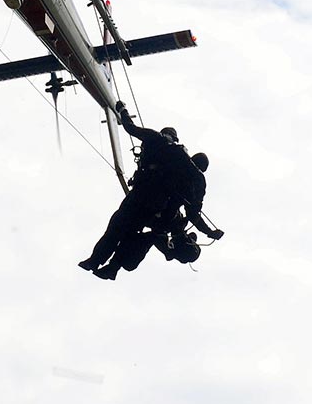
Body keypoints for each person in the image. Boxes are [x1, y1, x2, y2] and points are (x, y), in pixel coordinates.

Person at [79, 104, 222, 275]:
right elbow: (193, 213)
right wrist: (208, 232)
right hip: (156, 208)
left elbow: (129, 128)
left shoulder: (156, 140)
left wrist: (122, 110)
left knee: (116, 229)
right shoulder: (192, 175)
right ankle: (113, 267)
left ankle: (96, 261)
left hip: (139, 198)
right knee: (132, 234)